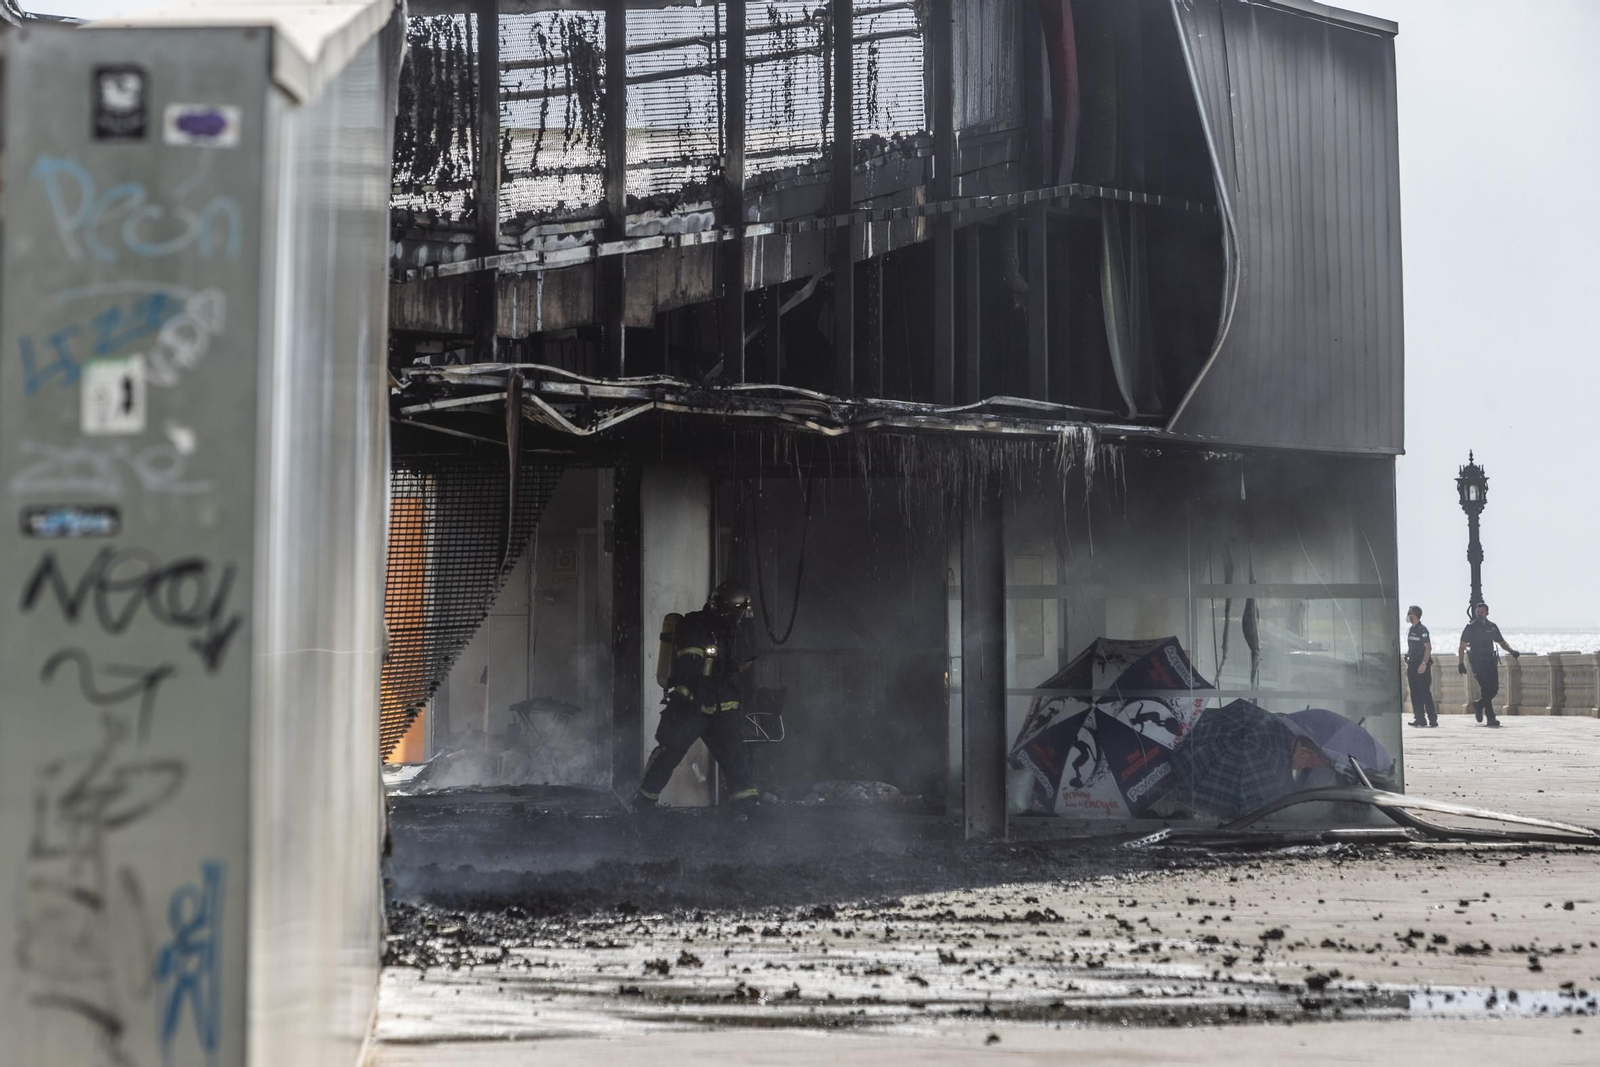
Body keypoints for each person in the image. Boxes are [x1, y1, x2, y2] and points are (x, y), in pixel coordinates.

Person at [635, 581, 761, 810]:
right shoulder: (693, 624)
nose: (738, 618)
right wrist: (726, 667)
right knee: (669, 752)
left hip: (723, 707)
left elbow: (743, 658)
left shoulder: (733, 630)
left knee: (735, 758)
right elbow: (690, 666)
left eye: (740, 614)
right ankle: (643, 804)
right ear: (723, 609)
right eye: (735, 613)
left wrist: (733, 665)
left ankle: (747, 808)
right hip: (691, 706)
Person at [1457, 602, 1520, 727]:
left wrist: (1511, 651)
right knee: (1486, 688)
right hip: (1477, 662)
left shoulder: (1492, 626)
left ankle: (1479, 704)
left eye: (1482, 612)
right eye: (1478, 612)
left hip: (1490, 661)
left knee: (1494, 689)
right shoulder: (1471, 627)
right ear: (1475, 613)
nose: (1480, 614)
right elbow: (1462, 646)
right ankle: (1491, 717)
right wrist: (1460, 663)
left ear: (1487, 613)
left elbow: (1501, 642)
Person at [1405, 605, 1437, 727]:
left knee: (1424, 692)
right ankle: (1419, 718)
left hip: (1421, 665)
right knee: (1414, 693)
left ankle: (1432, 718)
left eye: (1410, 613)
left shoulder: (1422, 630)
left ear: (1416, 615)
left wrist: (1424, 663)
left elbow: (1428, 647)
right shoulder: (1411, 629)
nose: (1408, 615)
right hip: (1412, 664)